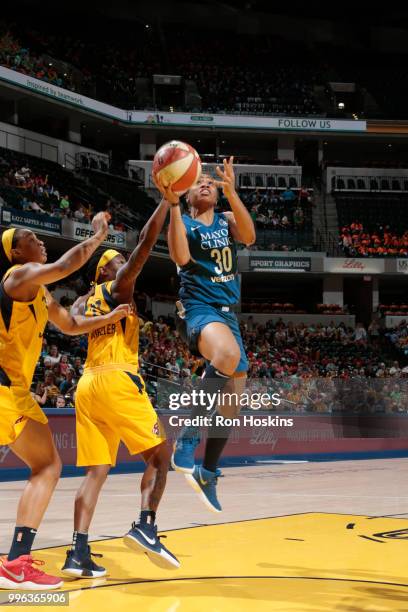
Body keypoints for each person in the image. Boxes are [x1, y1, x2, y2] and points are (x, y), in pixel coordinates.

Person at [0, 214, 131, 590]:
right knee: (46, 467)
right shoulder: (18, 277)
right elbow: (64, 265)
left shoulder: (38, 293)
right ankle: (17, 563)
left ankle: (17, 561)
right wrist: (98, 237)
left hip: (17, 394)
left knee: (47, 466)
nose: (39, 242)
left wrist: (109, 314)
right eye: (30, 238)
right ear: (15, 252)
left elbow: (71, 325)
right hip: (4, 390)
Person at [62, 197, 178, 580]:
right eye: (116, 261)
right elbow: (145, 245)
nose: (123, 265)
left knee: (96, 472)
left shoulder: (81, 300)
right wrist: (166, 200)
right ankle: (146, 525)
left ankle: (77, 551)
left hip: (88, 385)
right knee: (162, 453)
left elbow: (70, 324)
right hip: (116, 378)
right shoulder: (117, 287)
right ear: (104, 271)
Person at [165, 157, 255, 512]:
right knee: (228, 356)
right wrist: (172, 206)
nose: (205, 183)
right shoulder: (183, 222)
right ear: (187, 195)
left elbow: (248, 237)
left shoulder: (227, 218)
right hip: (199, 307)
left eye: (210, 182)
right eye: (197, 182)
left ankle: (208, 471)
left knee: (231, 407)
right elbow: (180, 257)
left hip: (229, 315)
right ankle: (186, 439)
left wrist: (232, 191)